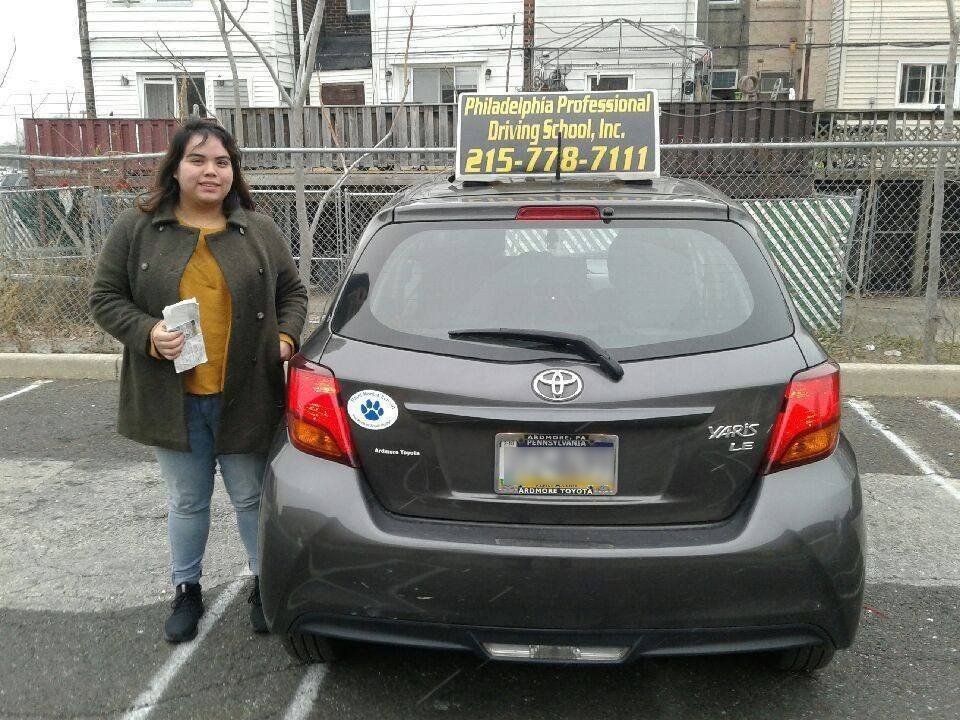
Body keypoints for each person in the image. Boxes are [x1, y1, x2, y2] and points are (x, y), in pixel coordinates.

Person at [89, 119, 307, 643]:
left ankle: (262, 584)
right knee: (187, 502)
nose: (210, 172)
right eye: (198, 160)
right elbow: (104, 298)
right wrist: (148, 333)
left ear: (233, 172)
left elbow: (293, 294)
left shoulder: (258, 230)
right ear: (176, 167)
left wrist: (285, 339)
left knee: (252, 496)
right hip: (175, 397)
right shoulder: (137, 228)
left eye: (222, 162)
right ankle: (187, 589)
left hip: (246, 395)